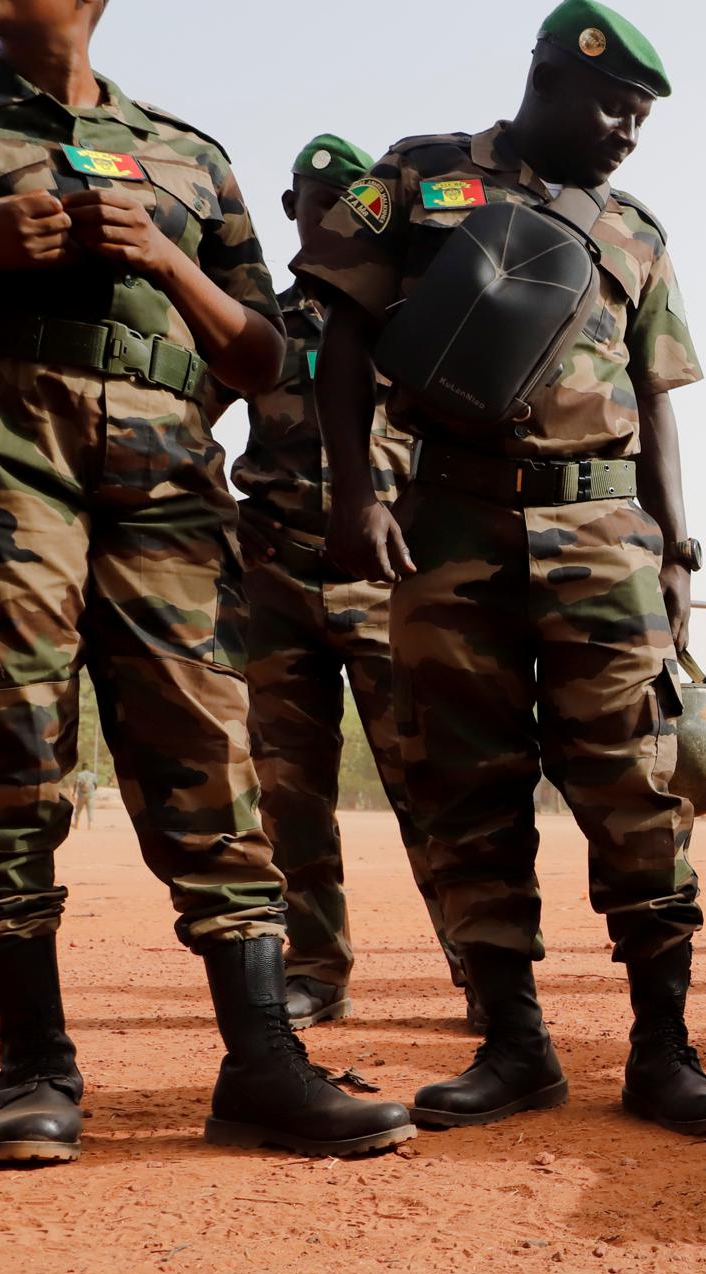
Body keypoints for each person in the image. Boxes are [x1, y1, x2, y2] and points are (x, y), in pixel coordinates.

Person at [0, 0, 410, 1164]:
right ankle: (35, 1064)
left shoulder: (189, 156)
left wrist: (162, 253)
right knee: (3, 743)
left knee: (210, 753)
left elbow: (266, 358)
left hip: (166, 483)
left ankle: (262, 1063)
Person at [298, 0, 706, 1136]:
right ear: (547, 73)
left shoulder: (636, 229)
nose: (626, 132)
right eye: (611, 106)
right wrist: (354, 490)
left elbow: (654, 399)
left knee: (636, 790)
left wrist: (677, 546)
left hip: (602, 536)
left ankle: (663, 1048)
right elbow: (341, 333)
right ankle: (513, 1046)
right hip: (449, 522)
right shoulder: (418, 172)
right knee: (467, 788)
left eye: (640, 118)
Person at [233, 133, 467, 1032]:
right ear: (292, 212)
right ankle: (318, 969)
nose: (326, 214)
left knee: (428, 781)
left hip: (388, 581)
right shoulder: (257, 327)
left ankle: (474, 962)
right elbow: (184, 413)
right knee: (292, 794)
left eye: (345, 202)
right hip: (275, 580)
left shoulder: (413, 327)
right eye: (312, 199)